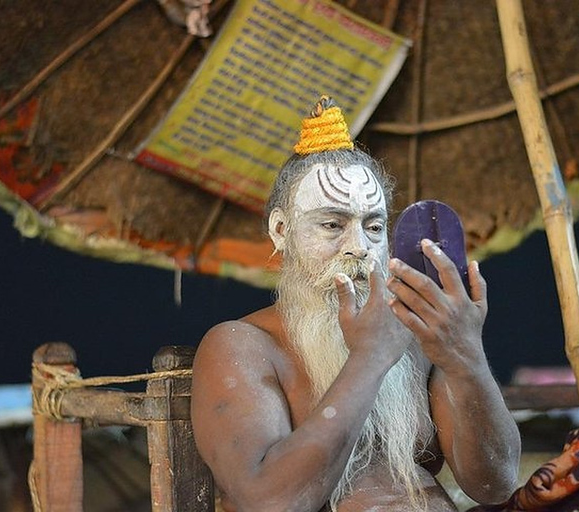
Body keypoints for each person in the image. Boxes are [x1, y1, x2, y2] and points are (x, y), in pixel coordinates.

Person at [191, 96, 521, 512]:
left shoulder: (417, 340)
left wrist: (466, 355)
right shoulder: (241, 347)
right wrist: (369, 357)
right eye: (332, 225)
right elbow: (271, 502)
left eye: (374, 227)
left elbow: (495, 484)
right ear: (281, 230)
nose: (359, 248)